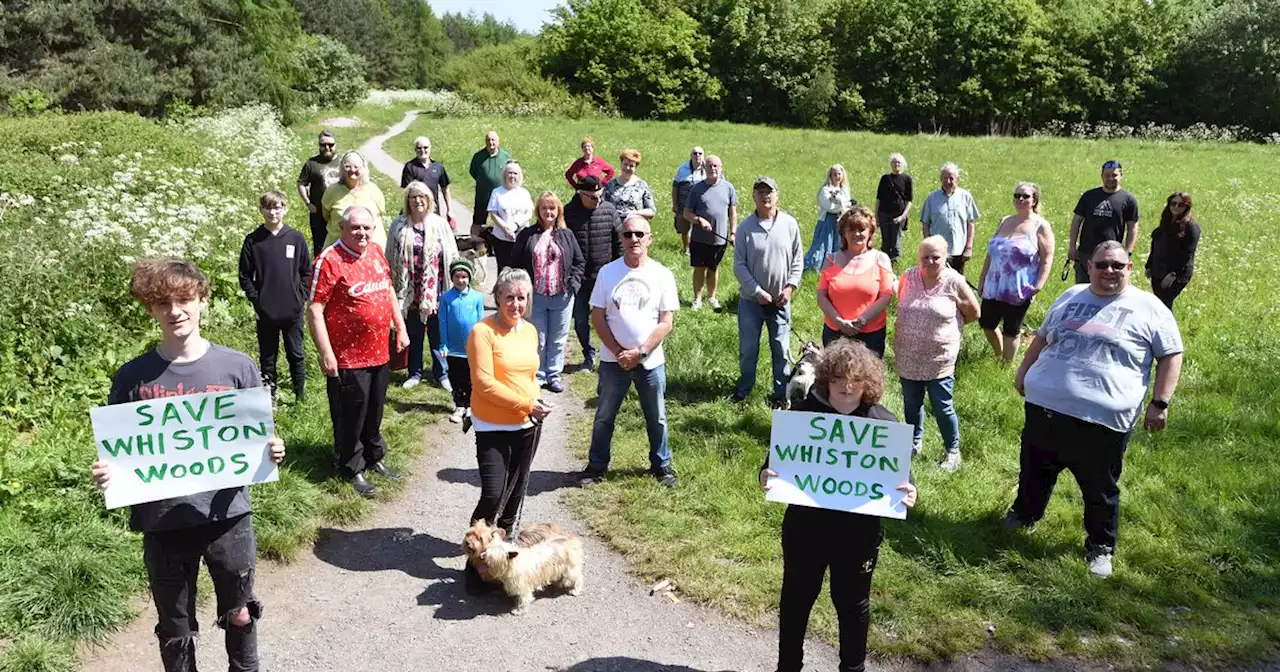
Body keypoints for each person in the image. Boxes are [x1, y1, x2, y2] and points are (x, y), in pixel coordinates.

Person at [90, 258, 287, 672]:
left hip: (228, 515)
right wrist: (108, 473)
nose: (175, 310)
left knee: (240, 611)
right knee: (175, 626)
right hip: (161, 521)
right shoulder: (132, 377)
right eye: (163, 302)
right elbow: (119, 452)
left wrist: (271, 451)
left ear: (202, 299)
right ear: (150, 309)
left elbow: (257, 438)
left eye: (184, 299)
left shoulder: (237, 367)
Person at [1007, 241, 1184, 578]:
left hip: (1102, 421)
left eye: (1117, 265)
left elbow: (1171, 355)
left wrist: (1160, 403)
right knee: (1033, 468)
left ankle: (1100, 547)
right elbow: (1043, 338)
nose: (1109, 271)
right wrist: (1023, 372)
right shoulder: (1071, 295)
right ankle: (1024, 515)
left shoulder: (1150, 308)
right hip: (1044, 407)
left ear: (1129, 268)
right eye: (1102, 265)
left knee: (1099, 488)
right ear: (1089, 266)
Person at [758, 339, 917, 672]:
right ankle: (788, 667)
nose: (846, 389)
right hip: (805, 530)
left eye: (855, 384)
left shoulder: (883, 424)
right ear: (824, 379)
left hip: (857, 535)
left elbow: (902, 478)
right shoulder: (801, 416)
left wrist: (910, 492)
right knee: (796, 601)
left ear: (868, 385)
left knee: (853, 605)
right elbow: (773, 464)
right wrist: (765, 475)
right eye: (838, 382)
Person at [308, 205, 409, 498]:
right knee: (351, 412)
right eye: (355, 228)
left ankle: (373, 457)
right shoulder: (328, 261)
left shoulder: (376, 252)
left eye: (367, 227)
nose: (362, 233)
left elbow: (388, 289)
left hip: (379, 351)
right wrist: (326, 352)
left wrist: (399, 327)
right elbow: (315, 309)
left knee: (374, 409)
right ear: (342, 228)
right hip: (347, 356)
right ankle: (350, 465)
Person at [464, 267, 552, 592]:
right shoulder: (482, 333)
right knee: (493, 494)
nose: (515, 303)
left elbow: (529, 375)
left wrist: (536, 401)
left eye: (521, 297)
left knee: (515, 495)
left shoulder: (528, 331)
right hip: (491, 425)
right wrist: (526, 404)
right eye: (509, 297)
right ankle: (474, 562)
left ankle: (500, 563)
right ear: (497, 297)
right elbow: (484, 385)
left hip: (526, 424)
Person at [580, 215, 680, 488]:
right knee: (604, 416)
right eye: (627, 235)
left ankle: (662, 465)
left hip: (650, 361)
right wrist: (618, 351)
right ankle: (596, 466)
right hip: (613, 361)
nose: (633, 239)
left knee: (657, 417)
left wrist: (641, 351)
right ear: (621, 239)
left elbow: (666, 321)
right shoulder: (607, 273)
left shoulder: (662, 274)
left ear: (650, 239)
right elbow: (597, 316)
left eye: (639, 234)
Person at [894, 236, 981, 472]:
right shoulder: (908, 277)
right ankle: (914, 442)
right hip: (908, 356)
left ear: (946, 257)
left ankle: (952, 450)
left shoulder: (954, 281)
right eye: (925, 257)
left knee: (942, 406)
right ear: (918, 257)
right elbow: (900, 303)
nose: (930, 261)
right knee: (911, 404)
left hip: (939, 360)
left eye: (936, 257)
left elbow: (974, 312)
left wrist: (950, 333)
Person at [732, 176, 802, 404]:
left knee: (781, 349)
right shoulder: (744, 228)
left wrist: (790, 287)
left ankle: (782, 395)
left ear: (777, 195)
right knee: (748, 348)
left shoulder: (790, 224)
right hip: (751, 302)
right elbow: (739, 265)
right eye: (760, 192)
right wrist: (757, 291)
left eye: (769, 192)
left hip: (781, 301)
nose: (765, 196)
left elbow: (798, 260)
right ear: (753, 196)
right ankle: (744, 389)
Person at [238, 189, 312, 402]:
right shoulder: (253, 240)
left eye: (277, 207)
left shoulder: (296, 238)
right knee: (268, 357)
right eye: (268, 208)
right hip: (266, 310)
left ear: (285, 209)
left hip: (293, 309)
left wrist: (301, 297)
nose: (273, 212)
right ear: (261, 210)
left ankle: (300, 396)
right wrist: (257, 300)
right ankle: (269, 397)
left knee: (296, 354)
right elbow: (244, 276)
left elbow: (306, 271)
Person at [387, 182, 459, 391]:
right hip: (409, 289)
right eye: (413, 197)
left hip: (435, 289)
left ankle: (441, 373)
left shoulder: (440, 224)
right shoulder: (399, 225)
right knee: (413, 333)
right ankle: (415, 372)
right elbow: (390, 255)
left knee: (437, 333)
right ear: (407, 201)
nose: (418, 201)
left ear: (429, 200)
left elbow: (452, 254)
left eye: (422, 197)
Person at [512, 192, 586, 393]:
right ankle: (537, 375)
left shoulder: (566, 235)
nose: (549, 212)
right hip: (535, 295)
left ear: (558, 211)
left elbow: (579, 261)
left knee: (558, 337)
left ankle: (554, 375)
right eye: (544, 208)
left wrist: (574, 283)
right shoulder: (527, 235)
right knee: (538, 337)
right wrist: (521, 288)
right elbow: (515, 264)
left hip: (561, 295)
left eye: (552, 208)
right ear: (538, 211)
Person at [978, 182, 1055, 363]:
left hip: (1019, 287)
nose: (1020, 199)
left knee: (1010, 330)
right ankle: (999, 354)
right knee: (987, 324)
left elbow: (1047, 258)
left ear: (1034, 200)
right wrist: (982, 280)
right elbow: (991, 254)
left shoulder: (1040, 226)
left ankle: (1006, 365)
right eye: (1017, 195)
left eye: (1025, 196)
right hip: (993, 285)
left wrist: (1039, 285)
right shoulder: (1005, 221)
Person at [816, 206, 895, 357]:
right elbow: (821, 296)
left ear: (870, 232)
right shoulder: (830, 260)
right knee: (834, 379)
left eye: (862, 229)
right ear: (843, 232)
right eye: (851, 230)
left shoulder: (881, 259)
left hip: (871, 335)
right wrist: (839, 322)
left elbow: (886, 296)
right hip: (835, 333)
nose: (856, 234)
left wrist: (863, 320)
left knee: (866, 379)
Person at [564, 175, 621, 371]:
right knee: (580, 318)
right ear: (581, 194)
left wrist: (618, 271)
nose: (597, 201)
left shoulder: (609, 210)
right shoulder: (568, 213)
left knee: (610, 318)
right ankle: (588, 353)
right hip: (579, 278)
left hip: (604, 276)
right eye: (593, 197)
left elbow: (619, 243)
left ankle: (612, 354)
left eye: (600, 196)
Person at [1068, 160, 1139, 283]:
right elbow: (1076, 221)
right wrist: (1072, 247)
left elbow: (1132, 227)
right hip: (1086, 253)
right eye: (1107, 175)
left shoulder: (1128, 199)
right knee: (1083, 289)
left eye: (1114, 175)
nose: (1110, 178)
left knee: (1107, 289)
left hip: (1111, 255)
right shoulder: (1089, 196)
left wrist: (1127, 251)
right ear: (1101, 176)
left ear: (1121, 175)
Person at [683, 154, 737, 310]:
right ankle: (697, 299)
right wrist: (699, 220)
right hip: (699, 238)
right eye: (709, 166)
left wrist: (733, 233)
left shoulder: (728, 188)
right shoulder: (696, 189)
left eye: (715, 166)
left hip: (719, 239)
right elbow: (687, 213)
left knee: (713, 268)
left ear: (721, 168)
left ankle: (712, 297)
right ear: (704, 168)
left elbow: (732, 213)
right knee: (699, 268)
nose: (712, 169)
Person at [438, 258, 485, 423]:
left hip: (471, 347)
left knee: (472, 378)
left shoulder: (477, 298)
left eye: (464, 276)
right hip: (453, 348)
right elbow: (442, 322)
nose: (460, 280)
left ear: (470, 278)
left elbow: (481, 323)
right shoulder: (446, 298)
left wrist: (481, 344)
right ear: (452, 277)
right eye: (457, 276)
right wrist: (443, 344)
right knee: (456, 377)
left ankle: (472, 405)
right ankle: (459, 405)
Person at [920, 162, 980, 275]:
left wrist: (969, 247)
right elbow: (925, 224)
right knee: (938, 281)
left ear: (957, 179)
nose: (948, 181)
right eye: (945, 178)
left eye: (951, 178)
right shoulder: (932, 198)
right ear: (940, 179)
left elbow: (970, 223)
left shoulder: (966, 197)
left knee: (957, 283)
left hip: (959, 250)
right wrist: (929, 248)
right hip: (937, 252)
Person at [320, 151, 387, 249]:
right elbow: (326, 216)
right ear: (342, 168)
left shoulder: (374, 190)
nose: (352, 170)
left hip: (372, 250)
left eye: (356, 167)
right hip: (338, 249)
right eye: (347, 166)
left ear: (363, 168)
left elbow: (380, 214)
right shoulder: (332, 191)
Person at [1145, 191, 1200, 309]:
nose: (1176, 207)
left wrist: (1174, 274)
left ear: (1187, 207)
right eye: (1173, 203)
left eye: (1181, 205)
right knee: (1158, 304)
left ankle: (1167, 327)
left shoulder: (1191, 227)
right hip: (1158, 270)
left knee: (1164, 305)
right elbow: (1156, 246)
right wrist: (1149, 266)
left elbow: (1187, 254)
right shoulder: (1166, 222)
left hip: (1175, 275)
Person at [297, 130, 342, 257]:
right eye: (323, 145)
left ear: (335, 144)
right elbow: (301, 183)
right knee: (320, 247)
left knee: (340, 245)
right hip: (318, 214)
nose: (327, 148)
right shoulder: (311, 164)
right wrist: (308, 203)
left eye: (330, 144)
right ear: (319, 145)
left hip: (338, 212)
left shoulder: (343, 163)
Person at [486, 160, 534, 272]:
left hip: (521, 237)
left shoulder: (524, 193)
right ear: (505, 175)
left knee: (520, 270)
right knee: (503, 270)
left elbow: (529, 213)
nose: (512, 176)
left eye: (515, 173)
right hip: (502, 238)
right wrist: (506, 229)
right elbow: (493, 214)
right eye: (510, 173)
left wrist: (516, 225)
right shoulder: (497, 192)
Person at [804, 164, 852, 271]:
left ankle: (836, 267)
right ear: (830, 176)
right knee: (823, 245)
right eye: (834, 174)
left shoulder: (844, 190)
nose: (837, 176)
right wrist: (843, 205)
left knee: (838, 244)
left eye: (839, 174)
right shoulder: (825, 190)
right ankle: (815, 267)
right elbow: (829, 207)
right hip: (827, 221)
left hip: (841, 222)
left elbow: (848, 205)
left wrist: (843, 205)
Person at [469, 130, 513, 238]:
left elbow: (510, 174)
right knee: (478, 222)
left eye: (493, 140)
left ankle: (498, 242)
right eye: (488, 140)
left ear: (498, 142)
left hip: (500, 196)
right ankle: (474, 242)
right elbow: (473, 172)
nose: (491, 142)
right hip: (483, 195)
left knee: (501, 220)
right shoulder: (478, 157)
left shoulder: (506, 157)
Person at [399, 136, 453, 223]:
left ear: (430, 148)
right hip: (416, 212)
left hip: (434, 211)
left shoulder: (438, 167)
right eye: (419, 148)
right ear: (415, 150)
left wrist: (450, 210)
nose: (422, 150)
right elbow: (407, 193)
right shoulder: (410, 167)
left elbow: (445, 189)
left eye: (425, 147)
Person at [873, 153, 914, 263]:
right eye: (894, 162)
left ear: (902, 164)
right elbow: (879, 198)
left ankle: (895, 267)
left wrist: (903, 216)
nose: (896, 164)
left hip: (899, 215)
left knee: (895, 244)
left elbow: (909, 200)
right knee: (885, 243)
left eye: (898, 162)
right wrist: (876, 216)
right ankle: (884, 265)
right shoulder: (885, 179)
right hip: (884, 214)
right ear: (891, 164)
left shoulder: (907, 179)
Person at [671, 146, 707, 256]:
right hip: (684, 203)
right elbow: (675, 187)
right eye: (695, 153)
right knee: (684, 228)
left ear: (703, 156)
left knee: (701, 227)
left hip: (701, 205)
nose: (697, 156)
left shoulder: (708, 168)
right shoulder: (682, 169)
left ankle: (699, 248)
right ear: (690, 155)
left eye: (700, 153)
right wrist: (675, 204)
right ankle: (686, 248)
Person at [603, 148, 656, 221]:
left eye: (631, 166)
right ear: (621, 164)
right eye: (625, 164)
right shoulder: (610, 184)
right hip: (613, 226)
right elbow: (602, 208)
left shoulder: (642, 185)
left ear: (635, 168)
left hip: (635, 226)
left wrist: (634, 213)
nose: (627, 168)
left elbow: (651, 211)